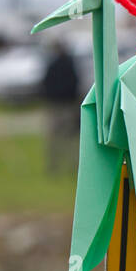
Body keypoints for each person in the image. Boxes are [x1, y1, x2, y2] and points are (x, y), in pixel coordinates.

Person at [41, 39, 81, 175]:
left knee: (55, 138)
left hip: (56, 105)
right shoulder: (70, 64)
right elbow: (76, 82)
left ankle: (54, 166)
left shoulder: (52, 65)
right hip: (67, 104)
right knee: (69, 137)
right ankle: (72, 166)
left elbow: (45, 83)